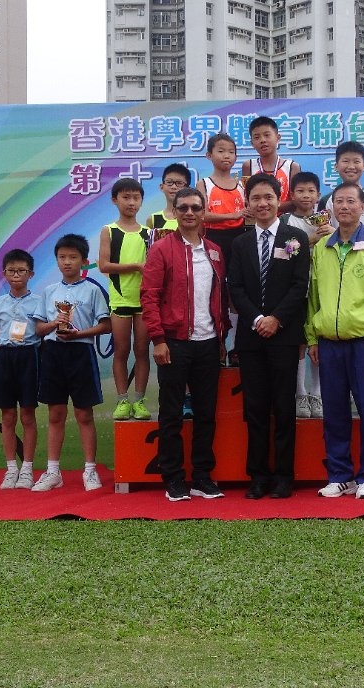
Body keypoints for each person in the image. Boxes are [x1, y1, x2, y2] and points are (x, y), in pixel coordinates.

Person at [306, 181, 364, 500]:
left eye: (350, 201)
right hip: (328, 343)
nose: (344, 207)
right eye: (339, 202)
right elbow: (313, 296)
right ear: (331, 208)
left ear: (363, 207)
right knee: (334, 412)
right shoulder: (322, 248)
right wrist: (312, 336)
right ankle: (340, 476)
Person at [141, 187, 231, 501]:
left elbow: (221, 297)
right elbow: (149, 297)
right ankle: (174, 478)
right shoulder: (161, 250)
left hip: (208, 344)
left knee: (206, 414)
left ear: (204, 212)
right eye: (183, 208)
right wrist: (158, 339)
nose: (190, 213)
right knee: (172, 414)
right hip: (174, 343)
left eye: (195, 207)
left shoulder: (215, 251)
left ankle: (202, 477)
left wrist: (222, 336)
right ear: (176, 212)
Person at [228, 173, 311, 499]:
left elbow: (300, 286)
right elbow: (235, 287)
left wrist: (276, 319)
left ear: (279, 200)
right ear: (247, 203)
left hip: (284, 336)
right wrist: (258, 319)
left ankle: (284, 476)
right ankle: (258, 476)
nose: (263, 203)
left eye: (268, 197)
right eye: (256, 198)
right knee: (256, 409)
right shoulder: (240, 243)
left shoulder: (295, 238)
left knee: (284, 408)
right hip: (251, 338)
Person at [32, 234, 111, 492]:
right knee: (55, 413)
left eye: (73, 257)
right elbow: (39, 329)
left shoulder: (93, 290)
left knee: (84, 414)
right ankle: (53, 471)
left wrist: (79, 334)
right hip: (53, 353)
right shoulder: (49, 292)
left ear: (84, 261)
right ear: (56, 261)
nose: (67, 262)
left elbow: (106, 325)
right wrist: (55, 324)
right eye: (62, 257)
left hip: (81, 353)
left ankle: (90, 470)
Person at [0, 249, 42, 490]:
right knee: (7, 415)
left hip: (29, 356)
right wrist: (4, 349)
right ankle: (11, 469)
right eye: (11, 271)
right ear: (4, 273)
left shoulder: (39, 302)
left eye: (21, 271)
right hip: (5, 358)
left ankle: (27, 469)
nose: (16, 275)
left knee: (27, 414)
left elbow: (42, 331)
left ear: (30, 274)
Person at [280, 170, 333, 418]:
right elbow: (283, 252)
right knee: (300, 341)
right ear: (292, 195)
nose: (306, 195)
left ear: (318, 195)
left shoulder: (326, 221)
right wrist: (310, 239)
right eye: (300, 191)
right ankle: (300, 393)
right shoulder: (285, 220)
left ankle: (317, 394)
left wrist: (331, 235)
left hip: (323, 288)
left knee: (320, 340)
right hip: (296, 290)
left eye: (311, 191)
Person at [99, 177, 151, 421]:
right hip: (120, 299)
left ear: (141, 201)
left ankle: (139, 401)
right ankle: (122, 400)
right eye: (126, 197)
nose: (131, 202)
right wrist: (136, 266)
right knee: (121, 350)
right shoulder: (109, 230)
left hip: (144, 300)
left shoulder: (149, 233)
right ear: (114, 200)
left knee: (142, 351)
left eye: (136, 198)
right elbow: (104, 265)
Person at [198, 132, 245, 366]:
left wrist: (242, 217)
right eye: (221, 151)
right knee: (214, 293)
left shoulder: (242, 184)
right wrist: (233, 215)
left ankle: (236, 347)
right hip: (214, 240)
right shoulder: (204, 183)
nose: (227, 156)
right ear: (209, 155)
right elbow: (202, 214)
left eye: (231, 152)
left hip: (239, 240)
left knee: (237, 292)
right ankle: (217, 346)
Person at [316, 141, 364, 236]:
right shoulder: (325, 201)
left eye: (356, 161)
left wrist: (337, 234)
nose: (351, 167)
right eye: (345, 161)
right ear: (336, 166)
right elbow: (322, 234)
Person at [241, 115, 300, 201]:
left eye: (267, 135)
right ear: (252, 143)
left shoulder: (292, 167)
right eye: (257, 137)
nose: (263, 140)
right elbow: (247, 198)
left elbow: (295, 200)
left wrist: (271, 206)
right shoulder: (248, 166)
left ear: (278, 138)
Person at [147, 163, 191, 238]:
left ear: (188, 188)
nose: (174, 187)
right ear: (162, 187)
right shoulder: (153, 219)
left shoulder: (192, 217)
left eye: (179, 183)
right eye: (169, 182)